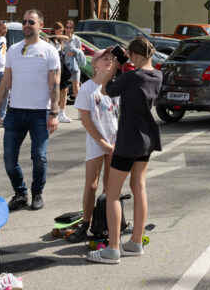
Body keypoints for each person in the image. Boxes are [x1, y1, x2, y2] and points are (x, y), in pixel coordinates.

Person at [86, 37, 162, 264]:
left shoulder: (132, 76)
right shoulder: (157, 75)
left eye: (130, 55)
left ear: (136, 56)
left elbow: (105, 89)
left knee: (112, 193)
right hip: (147, 139)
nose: (128, 58)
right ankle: (136, 242)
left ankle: (112, 249)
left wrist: (118, 65)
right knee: (139, 187)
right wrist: (126, 64)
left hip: (128, 140)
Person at [0, 9, 61, 211]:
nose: (26, 25)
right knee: (9, 159)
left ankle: (37, 192)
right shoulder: (13, 49)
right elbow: (6, 82)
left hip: (40, 113)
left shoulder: (49, 51)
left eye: (31, 21)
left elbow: (54, 84)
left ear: (41, 25)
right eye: (24, 22)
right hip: (15, 113)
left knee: (39, 157)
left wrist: (54, 113)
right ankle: (20, 193)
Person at [70, 47, 121, 242]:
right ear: (95, 64)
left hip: (115, 143)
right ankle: (85, 223)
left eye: (111, 59)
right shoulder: (87, 88)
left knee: (110, 188)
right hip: (96, 143)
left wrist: (116, 143)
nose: (109, 61)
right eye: (104, 58)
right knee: (91, 185)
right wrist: (102, 143)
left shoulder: (115, 87)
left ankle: (106, 224)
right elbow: (86, 120)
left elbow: (118, 116)